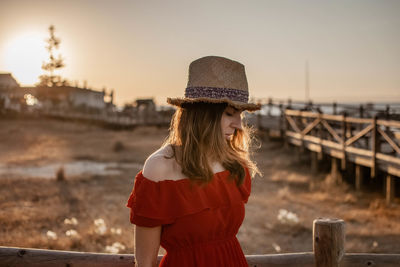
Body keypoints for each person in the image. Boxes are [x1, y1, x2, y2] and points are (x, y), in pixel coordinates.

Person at [127, 56, 261, 267]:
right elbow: (144, 263)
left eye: (240, 115)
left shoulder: (232, 161)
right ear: (202, 115)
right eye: (229, 114)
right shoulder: (160, 167)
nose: (238, 125)